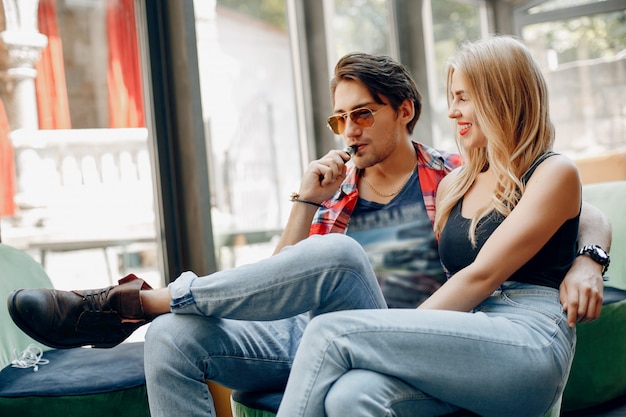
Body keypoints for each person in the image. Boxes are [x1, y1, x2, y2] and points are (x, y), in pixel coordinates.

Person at [7, 44, 609, 417]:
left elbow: (566, 209)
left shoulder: (450, 173)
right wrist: (303, 201)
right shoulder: (367, 189)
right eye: (339, 117)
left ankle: (136, 302)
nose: (348, 130)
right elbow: (270, 280)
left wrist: (590, 256)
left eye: (363, 114)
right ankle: (145, 308)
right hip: (341, 323)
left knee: (339, 278)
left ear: (404, 111)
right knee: (173, 337)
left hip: (416, 327)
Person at [272, 35, 608, 417]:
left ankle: (190, 290)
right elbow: (288, 275)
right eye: (452, 98)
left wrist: (590, 260)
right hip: (466, 329)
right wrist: (305, 201)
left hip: (526, 333)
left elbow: (485, 273)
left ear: (500, 95)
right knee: (351, 394)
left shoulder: (551, 171)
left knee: (330, 333)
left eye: (463, 97)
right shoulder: (459, 181)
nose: (452, 112)